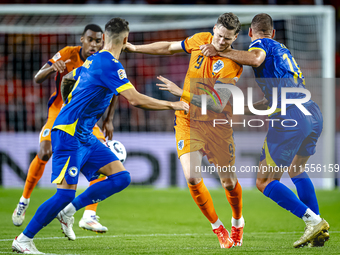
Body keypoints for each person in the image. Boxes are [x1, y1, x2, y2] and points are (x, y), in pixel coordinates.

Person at [12, 17, 188, 254]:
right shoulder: (110, 64)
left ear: (104, 38)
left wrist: (69, 102)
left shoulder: (94, 59)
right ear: (126, 39)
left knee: (121, 177)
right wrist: (172, 106)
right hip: (69, 133)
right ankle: (23, 240)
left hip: (84, 134)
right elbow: (135, 99)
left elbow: (67, 79)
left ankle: (69, 211)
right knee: (64, 193)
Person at [199, 13, 330, 248]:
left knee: (263, 182)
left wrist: (221, 51)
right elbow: (272, 99)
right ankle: (317, 231)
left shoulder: (261, 44)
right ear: (274, 32)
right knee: (296, 170)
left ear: (251, 33)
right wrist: (243, 109)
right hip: (311, 113)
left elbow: (256, 59)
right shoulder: (282, 50)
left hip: (290, 117)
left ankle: (314, 221)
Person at [126, 13, 244, 248]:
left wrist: (182, 93)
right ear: (214, 30)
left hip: (217, 125)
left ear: (235, 37)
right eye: (219, 36)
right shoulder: (201, 40)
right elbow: (169, 47)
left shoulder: (233, 63)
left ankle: (238, 222)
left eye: (227, 40)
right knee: (191, 176)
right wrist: (134, 48)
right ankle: (218, 228)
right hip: (188, 120)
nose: (221, 42)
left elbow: (217, 103)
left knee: (229, 182)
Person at [12, 24, 114, 234]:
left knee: (106, 160)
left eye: (98, 41)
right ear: (81, 40)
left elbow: (116, 89)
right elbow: (37, 78)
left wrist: (108, 120)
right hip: (59, 112)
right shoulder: (68, 54)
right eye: (90, 39)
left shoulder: (104, 60)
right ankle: (24, 200)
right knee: (44, 151)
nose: (94, 44)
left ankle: (89, 215)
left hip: (85, 118)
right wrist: (53, 67)